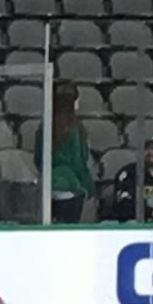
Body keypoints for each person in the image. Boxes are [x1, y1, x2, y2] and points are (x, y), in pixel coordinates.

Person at [47, 83, 92, 222]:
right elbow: (79, 162)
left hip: (48, 188)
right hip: (70, 188)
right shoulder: (75, 128)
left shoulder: (45, 126)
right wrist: (89, 186)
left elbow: (38, 159)